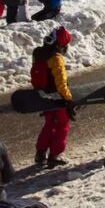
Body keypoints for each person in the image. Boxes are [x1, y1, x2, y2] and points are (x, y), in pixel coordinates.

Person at [31, 26, 74, 167]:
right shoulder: (56, 58)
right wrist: (68, 99)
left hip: (43, 96)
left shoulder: (38, 53)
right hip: (57, 97)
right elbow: (61, 83)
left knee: (49, 124)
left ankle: (40, 154)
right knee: (62, 125)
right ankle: (55, 155)